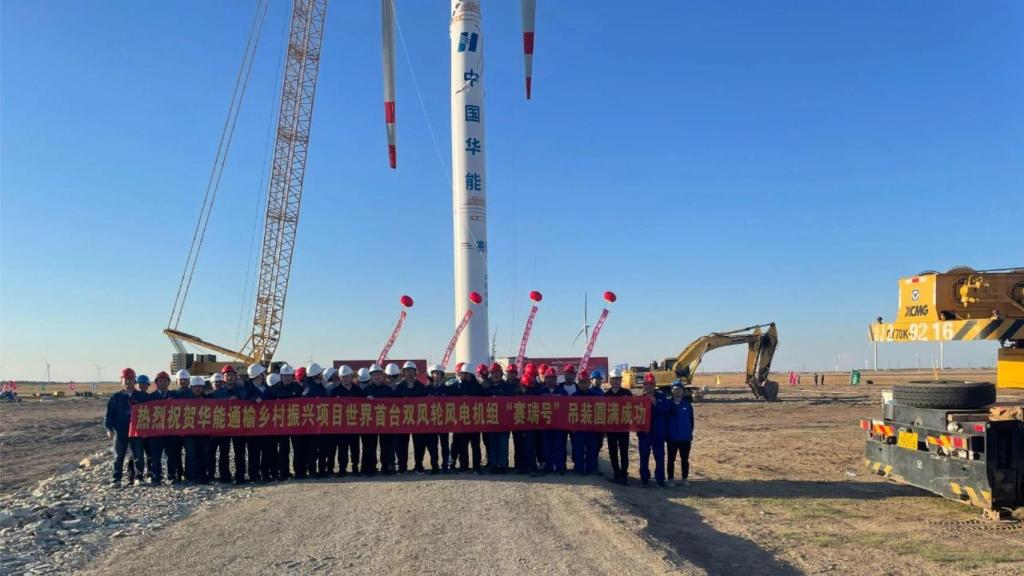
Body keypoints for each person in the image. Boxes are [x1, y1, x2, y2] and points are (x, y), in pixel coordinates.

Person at [104, 368, 146, 487]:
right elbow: (109, 415)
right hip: (120, 431)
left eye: (131, 379)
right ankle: (116, 479)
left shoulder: (142, 397)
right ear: (121, 381)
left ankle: (139, 477)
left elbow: (151, 412)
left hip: (137, 430)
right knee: (118, 455)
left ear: (135, 380)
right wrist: (109, 429)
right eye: (126, 379)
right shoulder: (115, 397)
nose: (128, 382)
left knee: (138, 454)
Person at [210, 365, 249, 484]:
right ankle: (225, 476)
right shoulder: (218, 393)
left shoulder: (242, 391)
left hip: (239, 426)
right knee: (224, 452)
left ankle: (240, 476)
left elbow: (248, 402)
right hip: (223, 427)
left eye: (232, 375)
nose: (230, 378)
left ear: (235, 376)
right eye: (227, 375)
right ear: (223, 377)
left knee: (240, 452)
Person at [637, 373, 671, 488]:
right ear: (644, 385)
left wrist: (656, 404)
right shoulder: (640, 399)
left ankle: (660, 480)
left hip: (658, 433)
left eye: (651, 384)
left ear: (655, 385)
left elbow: (667, 410)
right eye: (647, 384)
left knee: (660, 457)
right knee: (644, 457)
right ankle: (644, 480)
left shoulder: (662, 397)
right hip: (644, 434)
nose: (649, 386)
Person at [296, 362, 327, 478]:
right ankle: (312, 471)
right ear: (316, 375)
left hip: (319, 422)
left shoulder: (316, 385)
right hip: (312, 425)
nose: (322, 374)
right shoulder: (310, 389)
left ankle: (319, 470)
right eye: (320, 373)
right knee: (312, 449)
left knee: (319, 448)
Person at [571, 370, 603, 476]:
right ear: (578, 383)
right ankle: (579, 468)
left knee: (592, 449)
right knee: (578, 449)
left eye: (585, 382)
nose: (583, 384)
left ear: (589, 383)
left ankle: (590, 468)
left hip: (591, 428)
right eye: (581, 382)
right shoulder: (573, 397)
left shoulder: (596, 396)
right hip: (579, 429)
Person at [180, 376, 212, 484]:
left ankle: (203, 476)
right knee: (191, 455)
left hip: (204, 433)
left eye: (200, 386)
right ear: (191, 387)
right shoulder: (184, 400)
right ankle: (191, 477)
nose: (198, 389)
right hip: (189, 433)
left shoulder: (210, 400)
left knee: (204, 455)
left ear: (203, 387)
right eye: (195, 387)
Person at [332, 365, 362, 477]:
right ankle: (342, 469)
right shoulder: (335, 391)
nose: (346, 378)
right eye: (343, 377)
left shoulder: (358, 390)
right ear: (340, 377)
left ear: (351, 376)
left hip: (354, 425)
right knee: (342, 449)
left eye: (347, 376)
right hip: (341, 426)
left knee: (355, 448)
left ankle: (355, 467)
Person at [147, 371, 175, 485]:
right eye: (160, 381)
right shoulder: (150, 398)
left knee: (171, 455)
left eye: (165, 381)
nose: (163, 383)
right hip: (156, 432)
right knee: (155, 456)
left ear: (169, 383)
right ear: (156, 383)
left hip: (170, 431)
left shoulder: (174, 396)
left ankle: (171, 475)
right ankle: (156, 476)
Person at [245, 363, 272, 483]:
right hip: (252, 427)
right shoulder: (248, 388)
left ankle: (265, 473)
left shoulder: (267, 388)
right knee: (253, 452)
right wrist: (254, 399)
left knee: (267, 451)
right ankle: (254, 475)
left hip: (266, 425)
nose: (264, 375)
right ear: (258, 375)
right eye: (262, 373)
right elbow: (243, 398)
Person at [604, 368, 632, 485]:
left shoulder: (627, 393)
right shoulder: (606, 395)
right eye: (614, 379)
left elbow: (634, 409)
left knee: (624, 452)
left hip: (624, 429)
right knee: (613, 452)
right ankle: (616, 474)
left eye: (618, 379)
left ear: (621, 380)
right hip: (611, 429)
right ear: (610, 381)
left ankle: (624, 475)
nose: (616, 381)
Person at [665, 381, 695, 487]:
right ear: (672, 391)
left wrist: (689, 432)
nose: (677, 391)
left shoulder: (687, 404)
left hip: (685, 437)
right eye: (675, 389)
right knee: (671, 459)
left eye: (679, 389)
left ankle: (685, 478)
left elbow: (691, 421)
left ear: (682, 391)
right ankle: (670, 479)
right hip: (672, 437)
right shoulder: (668, 404)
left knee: (685, 459)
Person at [539, 367, 568, 474]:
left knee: (559, 446)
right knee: (547, 446)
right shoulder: (541, 392)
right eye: (548, 378)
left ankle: (559, 467)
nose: (550, 380)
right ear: (545, 379)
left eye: (553, 378)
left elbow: (567, 407)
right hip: (545, 425)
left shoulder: (562, 391)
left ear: (556, 379)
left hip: (558, 425)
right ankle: (548, 466)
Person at [277, 364, 302, 480]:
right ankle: (284, 472)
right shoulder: (275, 388)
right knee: (283, 449)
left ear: (292, 376)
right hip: (281, 424)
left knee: (298, 448)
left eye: (289, 376)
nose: (287, 378)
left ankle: (299, 471)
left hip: (295, 423)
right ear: (281, 376)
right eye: (285, 376)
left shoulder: (298, 388)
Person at [126, 374, 152, 484]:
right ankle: (132, 477)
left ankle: (150, 474)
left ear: (148, 386)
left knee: (150, 454)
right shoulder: (132, 397)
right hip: (135, 431)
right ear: (136, 384)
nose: (142, 387)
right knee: (135, 455)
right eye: (140, 384)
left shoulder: (151, 398)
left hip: (149, 431)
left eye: (144, 385)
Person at [359, 366, 381, 476]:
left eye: (378, 374)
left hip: (385, 423)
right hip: (369, 423)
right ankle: (368, 468)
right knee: (369, 446)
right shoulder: (365, 391)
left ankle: (386, 467)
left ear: (382, 375)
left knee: (386, 445)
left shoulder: (388, 390)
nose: (377, 376)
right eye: (374, 374)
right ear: (371, 377)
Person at [426, 364, 447, 473]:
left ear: (442, 375)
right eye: (435, 373)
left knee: (445, 445)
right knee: (433, 446)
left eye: (439, 373)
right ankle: (435, 466)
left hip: (444, 422)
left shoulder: (447, 389)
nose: (437, 375)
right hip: (432, 422)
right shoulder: (427, 389)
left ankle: (445, 466)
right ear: (432, 375)